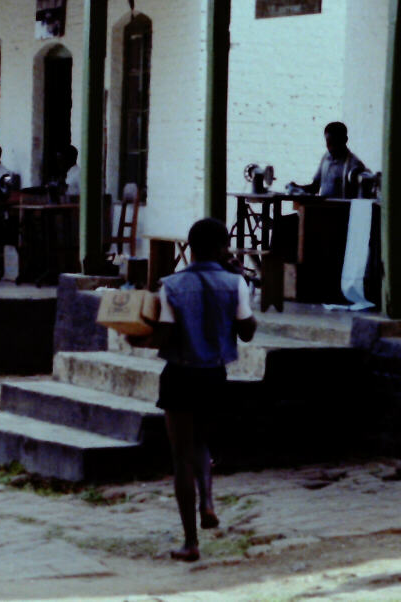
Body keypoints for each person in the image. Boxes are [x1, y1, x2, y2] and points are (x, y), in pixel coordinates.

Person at [130, 218, 256, 561]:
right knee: (201, 442)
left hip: (180, 375)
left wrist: (137, 337)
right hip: (214, 375)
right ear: (220, 248)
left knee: (181, 455)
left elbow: (167, 335)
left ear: (193, 248)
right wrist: (242, 289)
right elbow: (247, 332)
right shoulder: (235, 283)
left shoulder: (171, 284)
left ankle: (191, 542)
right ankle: (209, 501)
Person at [290, 122, 369, 198]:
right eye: (329, 143)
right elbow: (315, 187)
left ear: (345, 140)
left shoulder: (354, 165)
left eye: (336, 143)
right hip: (324, 209)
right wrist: (297, 188)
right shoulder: (325, 158)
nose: (332, 148)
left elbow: (360, 197)